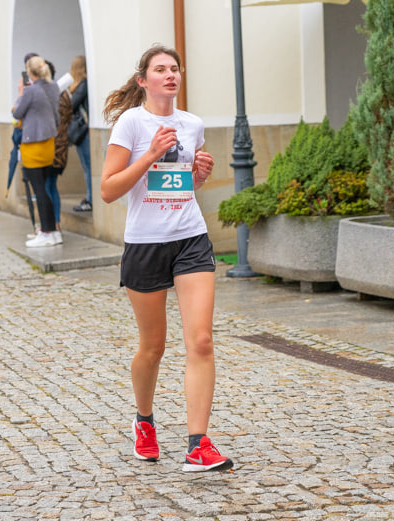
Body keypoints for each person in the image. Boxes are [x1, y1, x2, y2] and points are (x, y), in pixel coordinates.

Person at [100, 45, 232, 473]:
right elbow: (109, 189)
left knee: (201, 340)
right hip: (145, 244)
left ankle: (198, 444)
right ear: (143, 80)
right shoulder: (131, 123)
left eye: (174, 68)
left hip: (190, 238)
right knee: (153, 347)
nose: (170, 75)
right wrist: (151, 154)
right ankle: (144, 421)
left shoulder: (191, 124)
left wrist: (197, 175)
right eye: (161, 69)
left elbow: (179, 188)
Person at [13, 56, 61, 247]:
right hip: (49, 144)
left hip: (33, 144)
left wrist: (20, 92)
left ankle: (46, 232)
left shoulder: (31, 90)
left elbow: (17, 113)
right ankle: (53, 231)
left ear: (30, 72)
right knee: (46, 188)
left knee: (39, 190)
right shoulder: (53, 86)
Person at [69, 56, 93, 213]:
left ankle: (90, 200)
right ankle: (89, 198)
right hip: (82, 131)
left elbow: (71, 105)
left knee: (88, 168)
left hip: (83, 132)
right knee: (86, 167)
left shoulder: (82, 84)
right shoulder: (80, 84)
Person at [44, 60, 64, 239]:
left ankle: (52, 225)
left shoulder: (52, 92)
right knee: (49, 186)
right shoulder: (55, 90)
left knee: (48, 186)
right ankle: (53, 224)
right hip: (54, 145)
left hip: (52, 146)